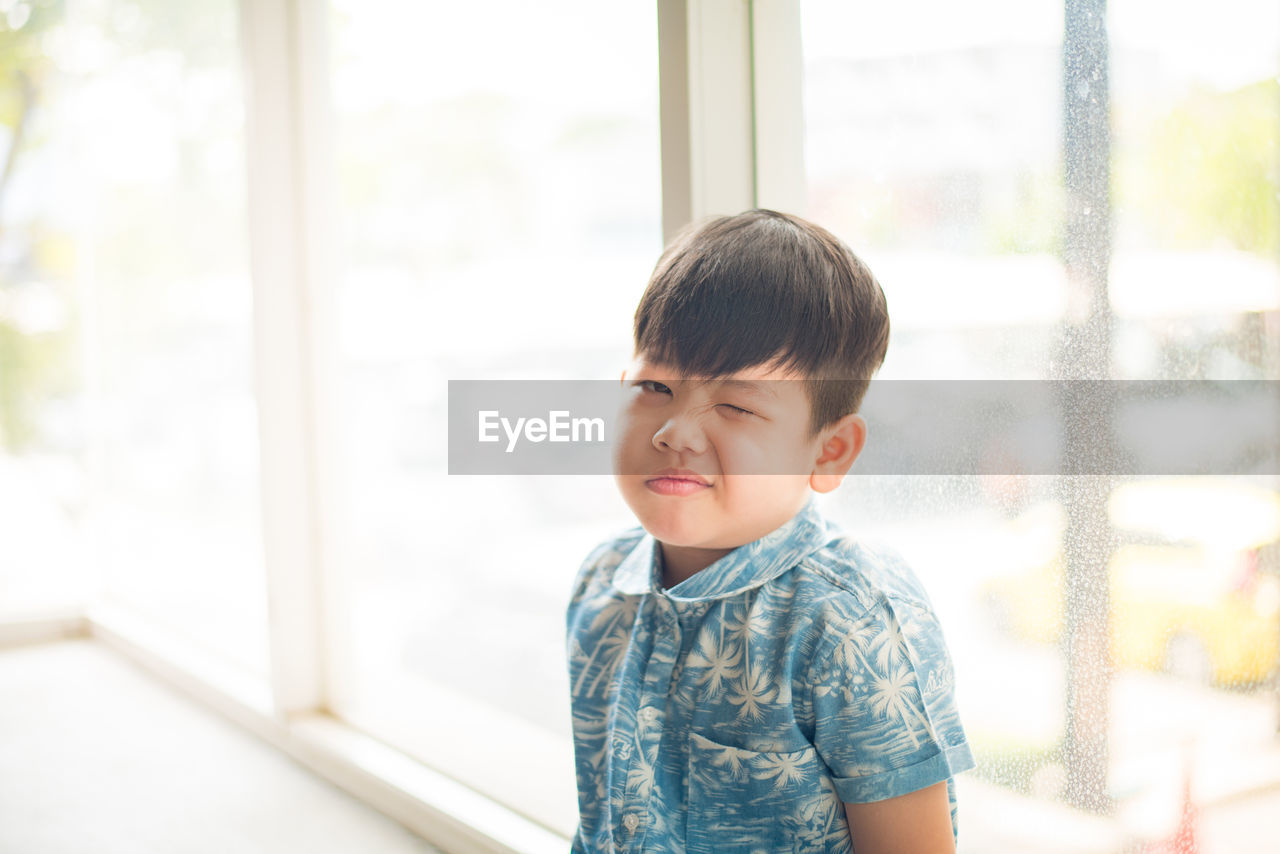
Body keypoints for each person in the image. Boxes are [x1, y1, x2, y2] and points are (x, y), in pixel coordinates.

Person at [566, 209, 974, 852]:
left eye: (735, 405)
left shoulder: (849, 621)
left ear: (830, 451)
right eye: (655, 385)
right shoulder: (600, 585)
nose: (676, 431)